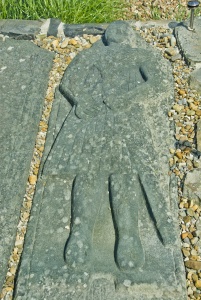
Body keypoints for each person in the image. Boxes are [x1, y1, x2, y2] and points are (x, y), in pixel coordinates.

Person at [43, 21, 176, 272]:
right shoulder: (93, 54)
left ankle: (128, 235)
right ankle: (80, 234)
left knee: (125, 174)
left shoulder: (140, 54)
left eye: (123, 28)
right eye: (113, 28)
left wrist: (127, 99)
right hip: (96, 119)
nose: (118, 29)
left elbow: (157, 83)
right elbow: (69, 81)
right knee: (88, 172)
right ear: (105, 37)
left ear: (130, 36)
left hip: (129, 120)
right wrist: (83, 101)